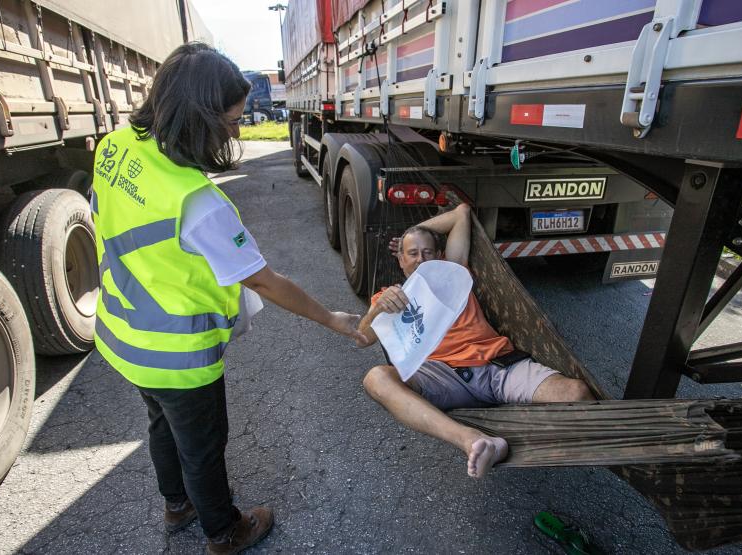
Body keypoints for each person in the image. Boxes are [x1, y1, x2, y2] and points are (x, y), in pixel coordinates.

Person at [90, 43, 367, 554]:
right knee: (201, 448)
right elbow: (263, 280)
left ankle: (177, 505)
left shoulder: (116, 145)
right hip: (178, 356)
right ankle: (224, 531)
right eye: (231, 122)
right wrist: (334, 319)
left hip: (124, 338)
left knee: (161, 425)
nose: (236, 133)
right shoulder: (196, 201)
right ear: (197, 115)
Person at [358, 203, 594, 478]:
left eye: (427, 252)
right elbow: (363, 338)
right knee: (376, 378)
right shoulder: (388, 296)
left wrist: (414, 232)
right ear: (400, 260)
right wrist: (377, 309)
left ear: (439, 255)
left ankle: (570, 450)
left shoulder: (455, 272)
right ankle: (471, 440)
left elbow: (461, 212)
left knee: (577, 395)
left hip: (496, 366)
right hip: (442, 376)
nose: (420, 259)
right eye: (412, 253)